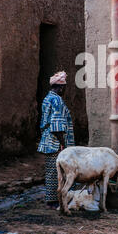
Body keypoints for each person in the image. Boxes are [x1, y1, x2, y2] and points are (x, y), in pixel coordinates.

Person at [38, 71, 75, 209]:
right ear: (60, 87)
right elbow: (56, 125)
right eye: (64, 88)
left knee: (51, 171)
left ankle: (51, 199)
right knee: (57, 172)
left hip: (48, 140)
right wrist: (63, 145)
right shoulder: (57, 100)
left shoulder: (47, 98)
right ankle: (54, 200)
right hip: (55, 142)